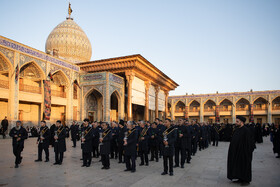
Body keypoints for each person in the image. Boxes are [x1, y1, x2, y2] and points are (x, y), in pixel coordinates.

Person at [227, 116, 255, 185]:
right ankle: (240, 178)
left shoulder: (246, 131)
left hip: (244, 153)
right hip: (237, 153)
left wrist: (245, 151)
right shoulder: (237, 129)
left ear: (242, 122)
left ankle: (246, 180)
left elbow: (250, 143)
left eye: (237, 121)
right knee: (238, 166)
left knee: (244, 166)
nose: (236, 123)